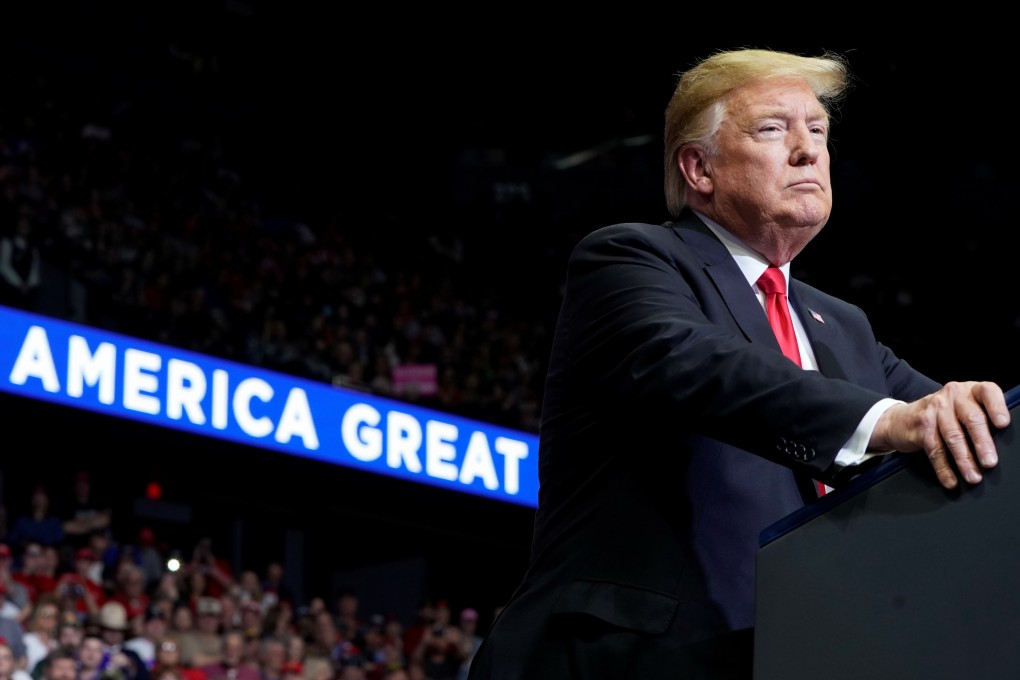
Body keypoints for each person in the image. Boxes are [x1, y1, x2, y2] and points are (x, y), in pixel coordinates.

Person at [465, 47, 1011, 680]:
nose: (808, 150)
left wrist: (976, 414)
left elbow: (955, 420)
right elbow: (697, 364)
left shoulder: (846, 329)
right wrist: (889, 421)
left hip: (790, 657)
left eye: (818, 131)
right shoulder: (630, 261)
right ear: (699, 168)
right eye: (774, 129)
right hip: (619, 658)